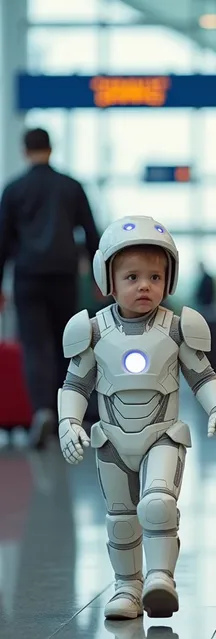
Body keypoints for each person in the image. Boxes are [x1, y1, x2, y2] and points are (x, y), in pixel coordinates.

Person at [57, 215, 216, 620]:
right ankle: (126, 586)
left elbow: (203, 375)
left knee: (157, 504)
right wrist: (69, 421)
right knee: (121, 517)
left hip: (162, 436)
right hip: (112, 441)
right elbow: (74, 384)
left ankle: (160, 579)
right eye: (132, 276)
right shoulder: (93, 332)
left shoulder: (176, 329)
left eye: (154, 277)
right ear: (109, 281)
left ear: (168, 281)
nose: (144, 285)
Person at [0, 127, 100, 448]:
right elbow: (92, 232)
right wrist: (101, 279)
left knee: (34, 346)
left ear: (24, 150)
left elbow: (2, 242)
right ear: (51, 149)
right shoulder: (71, 187)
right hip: (63, 274)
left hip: (27, 276)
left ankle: (41, 410)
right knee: (65, 345)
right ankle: (65, 415)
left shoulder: (14, 190)